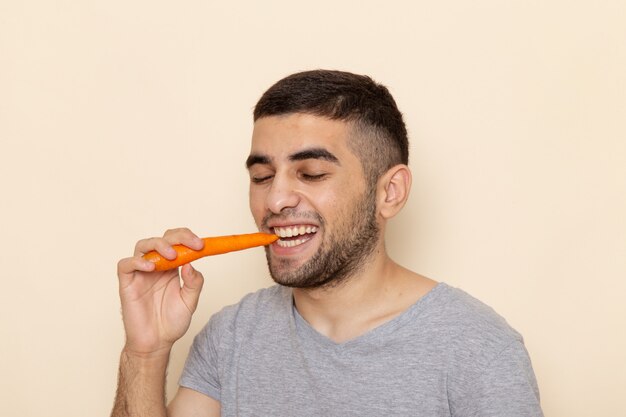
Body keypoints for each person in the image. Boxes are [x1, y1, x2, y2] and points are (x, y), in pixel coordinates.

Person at [111, 70, 543, 417]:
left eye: (312, 173)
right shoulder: (232, 336)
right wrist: (146, 352)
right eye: (262, 177)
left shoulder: (478, 348)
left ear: (388, 193)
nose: (275, 199)